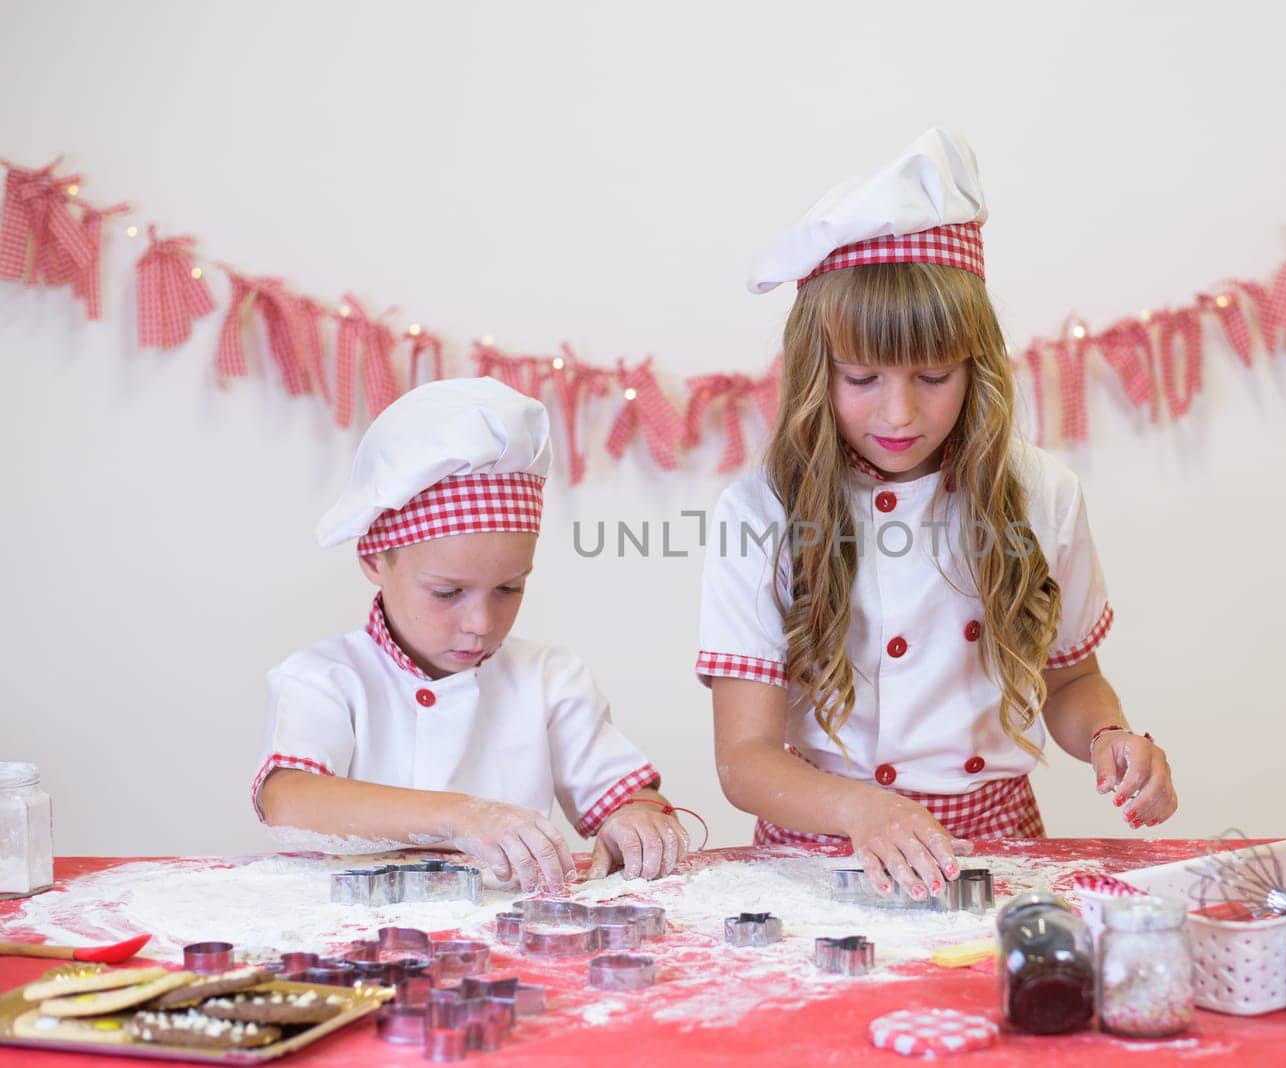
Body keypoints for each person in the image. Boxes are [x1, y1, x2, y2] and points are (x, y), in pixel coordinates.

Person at [700, 128, 1176, 900]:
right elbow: (745, 757)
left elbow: (1070, 677)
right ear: (817, 373)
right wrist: (865, 810)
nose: (899, 411)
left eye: (932, 374)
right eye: (862, 377)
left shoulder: (1042, 494)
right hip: (819, 851)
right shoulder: (760, 512)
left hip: (997, 845)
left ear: (976, 366)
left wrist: (1110, 738)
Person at [255, 377, 688, 889]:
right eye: (446, 593)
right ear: (374, 559)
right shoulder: (325, 677)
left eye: (509, 588)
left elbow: (631, 794)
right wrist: (463, 816)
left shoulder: (549, 678)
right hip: (362, 944)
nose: (481, 623)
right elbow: (287, 799)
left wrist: (636, 819)